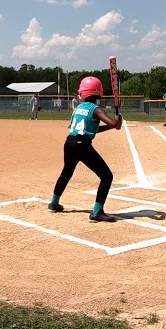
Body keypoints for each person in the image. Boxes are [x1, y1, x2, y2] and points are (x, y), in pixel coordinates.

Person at [48, 76, 124, 222]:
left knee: (66, 172)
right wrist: (117, 120)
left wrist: (113, 125)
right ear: (98, 92)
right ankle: (96, 212)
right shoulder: (96, 109)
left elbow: (90, 128)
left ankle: (54, 203)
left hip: (69, 142)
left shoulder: (79, 107)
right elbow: (113, 124)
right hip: (82, 145)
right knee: (106, 176)